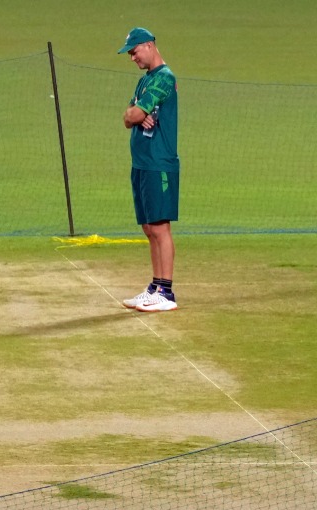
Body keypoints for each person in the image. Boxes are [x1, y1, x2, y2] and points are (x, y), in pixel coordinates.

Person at [118, 27, 180, 313]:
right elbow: (128, 115)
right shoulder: (145, 82)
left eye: (134, 51)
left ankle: (166, 292)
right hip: (142, 163)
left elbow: (137, 113)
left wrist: (137, 114)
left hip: (159, 163)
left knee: (159, 226)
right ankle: (155, 286)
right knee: (147, 227)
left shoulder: (165, 78)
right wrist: (135, 114)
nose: (132, 57)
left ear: (149, 45)